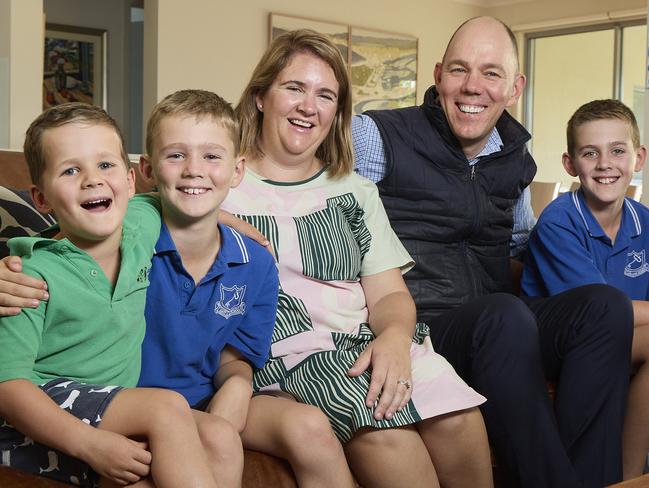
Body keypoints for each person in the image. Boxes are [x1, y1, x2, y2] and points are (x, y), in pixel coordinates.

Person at [352, 16, 633, 488]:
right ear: (439, 75)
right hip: (426, 324)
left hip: (506, 326)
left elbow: (521, 242)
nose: (472, 87)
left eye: (491, 73)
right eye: (459, 70)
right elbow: (315, 202)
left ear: (515, 87)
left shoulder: (516, 158)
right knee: (503, 316)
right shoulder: (377, 135)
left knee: (605, 308)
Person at [223, 29, 492, 488]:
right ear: (261, 97)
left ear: (337, 114)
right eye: (294, 88)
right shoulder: (219, 181)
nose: (309, 106)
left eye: (325, 95)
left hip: (365, 342)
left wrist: (391, 340)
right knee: (392, 439)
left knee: (460, 415)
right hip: (285, 354)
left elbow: (389, 293)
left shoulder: (353, 190)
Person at [137, 88, 356, 488]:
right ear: (147, 170)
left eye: (211, 156)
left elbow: (234, 355)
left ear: (237, 170)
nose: (193, 169)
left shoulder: (254, 262)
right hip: (137, 404)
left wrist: (238, 383)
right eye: (175, 155)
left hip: (204, 396)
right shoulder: (127, 242)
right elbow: (59, 245)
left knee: (308, 425)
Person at [0, 103, 222, 487]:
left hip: (110, 404)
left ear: (132, 181)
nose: (92, 180)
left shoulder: (140, 223)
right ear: (41, 199)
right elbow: (8, 386)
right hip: (32, 417)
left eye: (105, 165)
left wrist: (232, 223)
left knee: (219, 437)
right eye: (71, 170)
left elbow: (180, 199)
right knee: (166, 407)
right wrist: (89, 444)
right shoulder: (30, 276)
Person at [521, 99, 649, 479]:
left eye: (618, 151)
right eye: (590, 153)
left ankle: (628, 477)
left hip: (621, 339)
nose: (605, 163)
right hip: (559, 345)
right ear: (570, 164)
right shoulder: (559, 221)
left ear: (638, 158)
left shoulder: (645, 221)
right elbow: (602, 314)